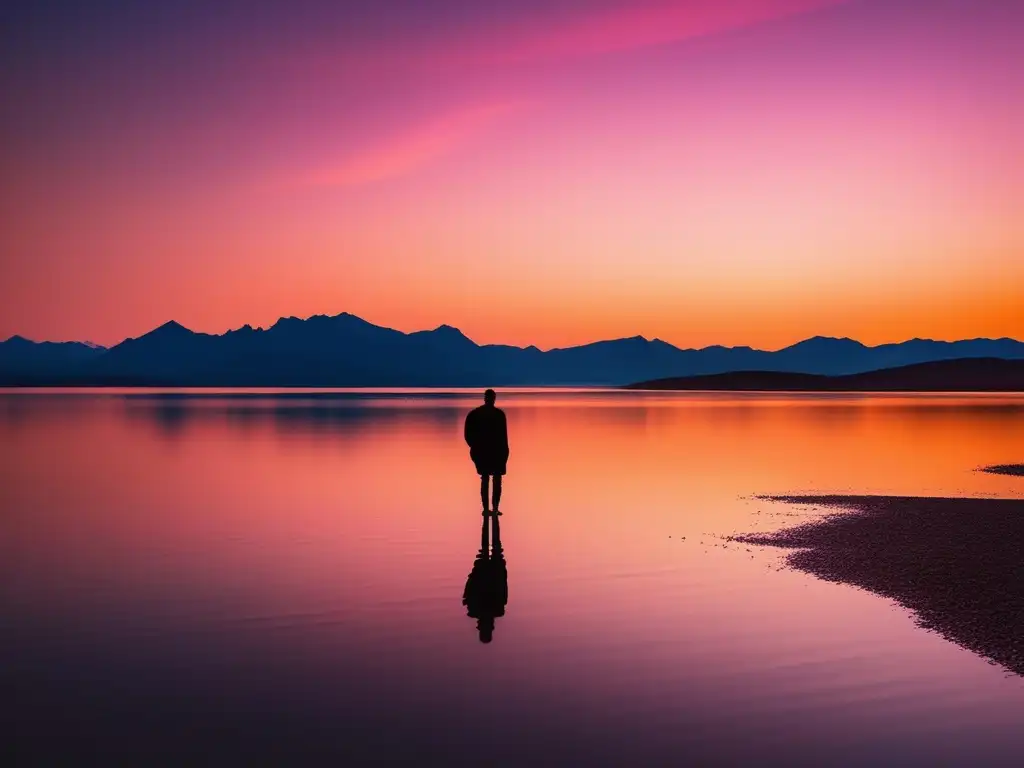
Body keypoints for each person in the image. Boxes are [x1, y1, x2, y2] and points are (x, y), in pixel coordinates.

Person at [463, 389, 509, 516]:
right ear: (487, 398)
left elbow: (504, 437)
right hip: (485, 453)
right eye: (490, 398)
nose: (490, 400)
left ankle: (493, 508)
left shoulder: (497, 415)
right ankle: (489, 509)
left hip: (495, 453)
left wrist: (505, 454)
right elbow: (468, 435)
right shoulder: (477, 414)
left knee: (492, 479)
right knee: (488, 479)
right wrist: (475, 448)